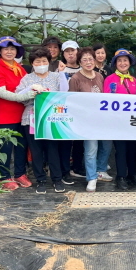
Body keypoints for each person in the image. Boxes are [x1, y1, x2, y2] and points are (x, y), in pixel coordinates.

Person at [16, 47, 69, 194]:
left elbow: (64, 92)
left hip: (51, 118)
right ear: (32, 63)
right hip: (31, 118)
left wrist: (63, 74)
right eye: (37, 61)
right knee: (36, 151)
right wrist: (30, 90)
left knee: (53, 150)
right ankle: (41, 180)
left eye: (44, 61)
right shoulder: (27, 79)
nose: (41, 64)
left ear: (49, 61)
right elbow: (18, 95)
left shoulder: (56, 76)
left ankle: (57, 179)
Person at [0, 36, 35, 190]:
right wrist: (22, 97)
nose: (9, 51)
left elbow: (27, 86)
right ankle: (4, 176)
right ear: (0, 51)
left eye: (12, 49)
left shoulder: (19, 67)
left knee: (21, 146)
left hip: (22, 114)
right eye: (6, 49)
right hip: (5, 114)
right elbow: (0, 92)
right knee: (6, 147)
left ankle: (20, 173)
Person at [104, 49, 136, 190]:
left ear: (129, 62)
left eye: (125, 60)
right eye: (119, 61)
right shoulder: (110, 79)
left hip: (132, 121)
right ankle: (121, 176)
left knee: (133, 149)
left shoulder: (134, 80)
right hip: (117, 122)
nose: (122, 63)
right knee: (120, 149)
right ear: (115, 63)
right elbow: (107, 101)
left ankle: (133, 174)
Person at [68, 47, 105, 192]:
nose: (89, 62)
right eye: (85, 60)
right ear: (80, 62)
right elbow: (72, 101)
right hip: (86, 121)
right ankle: (92, 178)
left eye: (91, 59)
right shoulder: (76, 79)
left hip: (101, 120)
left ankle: (100, 171)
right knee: (91, 149)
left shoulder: (99, 76)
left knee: (105, 147)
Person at [58, 40, 84, 179]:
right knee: (65, 140)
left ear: (77, 51)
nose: (70, 53)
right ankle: (65, 170)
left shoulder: (83, 68)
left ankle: (78, 167)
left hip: (81, 110)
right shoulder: (59, 70)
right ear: (63, 54)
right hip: (65, 109)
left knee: (80, 140)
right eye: (67, 51)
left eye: (72, 50)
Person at [92, 43, 114, 180]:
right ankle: (96, 167)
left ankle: (102, 165)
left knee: (106, 139)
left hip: (108, 109)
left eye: (103, 53)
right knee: (93, 142)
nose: (100, 55)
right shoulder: (90, 69)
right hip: (92, 110)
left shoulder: (109, 69)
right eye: (98, 52)